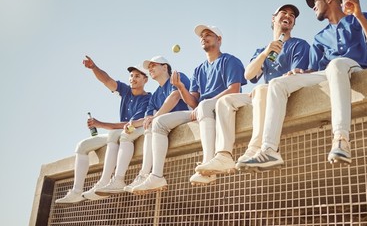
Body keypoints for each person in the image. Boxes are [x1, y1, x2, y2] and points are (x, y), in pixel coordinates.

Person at [236, 0, 367, 171]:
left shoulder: (360, 18)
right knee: (277, 84)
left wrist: (358, 14)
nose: (313, 7)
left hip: (355, 67)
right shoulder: (319, 37)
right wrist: (300, 73)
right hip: (328, 74)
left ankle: (341, 139)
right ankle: (270, 150)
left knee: (336, 65)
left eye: (315, 2)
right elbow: (316, 70)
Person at [193, 4, 310, 176]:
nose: (288, 16)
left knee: (262, 89)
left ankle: (253, 149)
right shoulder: (262, 50)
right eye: (283, 13)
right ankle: (224, 155)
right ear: (274, 18)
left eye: (292, 15)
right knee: (226, 101)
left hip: (282, 94)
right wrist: (266, 52)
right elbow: (249, 75)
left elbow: (294, 76)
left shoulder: (299, 45)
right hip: (262, 94)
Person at [131, 24, 246, 193]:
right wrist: (180, 87)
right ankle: (156, 176)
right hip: (203, 110)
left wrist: (202, 106)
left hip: (225, 104)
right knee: (159, 123)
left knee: (205, 105)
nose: (203, 38)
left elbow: (234, 90)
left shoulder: (230, 60)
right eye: (201, 36)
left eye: (208, 35)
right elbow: (193, 102)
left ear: (219, 40)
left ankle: (208, 163)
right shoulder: (198, 69)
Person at [55, 56, 151, 204]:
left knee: (113, 132)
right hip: (117, 133)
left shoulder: (147, 99)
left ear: (146, 80)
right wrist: (94, 67)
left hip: (130, 133)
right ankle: (76, 192)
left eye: (137, 76)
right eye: (131, 76)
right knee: (82, 146)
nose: (133, 79)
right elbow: (106, 80)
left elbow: (128, 125)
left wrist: (100, 124)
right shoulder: (125, 91)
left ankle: (103, 184)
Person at [93, 56, 191, 196]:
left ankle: (151, 175)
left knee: (155, 122)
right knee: (136, 131)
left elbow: (174, 97)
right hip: (164, 126)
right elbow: (147, 118)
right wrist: (131, 125)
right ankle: (138, 176)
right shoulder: (155, 95)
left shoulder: (177, 76)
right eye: (149, 67)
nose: (150, 68)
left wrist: (155, 117)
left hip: (187, 117)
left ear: (164, 67)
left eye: (153, 65)